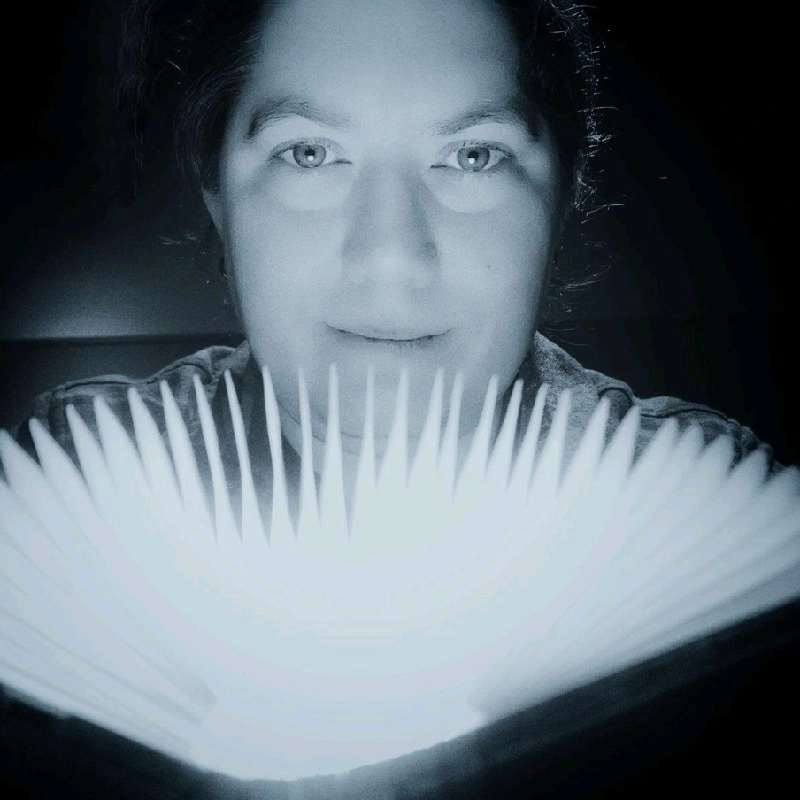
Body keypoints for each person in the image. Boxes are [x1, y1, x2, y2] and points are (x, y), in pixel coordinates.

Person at [6, 0, 782, 506]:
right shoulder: (71, 482)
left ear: (563, 191)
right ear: (217, 191)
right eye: (309, 153)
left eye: (473, 156)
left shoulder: (715, 501)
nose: (390, 258)